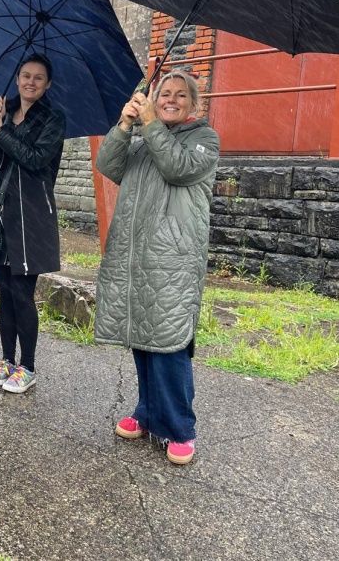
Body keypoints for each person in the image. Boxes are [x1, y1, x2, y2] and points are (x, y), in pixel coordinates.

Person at [94, 69, 219, 465]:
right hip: (136, 255)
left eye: (180, 95)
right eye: (163, 93)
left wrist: (148, 123)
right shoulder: (145, 141)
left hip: (173, 259)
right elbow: (107, 163)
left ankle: (180, 428)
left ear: (194, 104)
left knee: (169, 343)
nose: (170, 99)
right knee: (142, 335)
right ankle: (147, 414)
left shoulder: (204, 139)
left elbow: (178, 168)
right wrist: (125, 123)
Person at [0, 53, 65, 394]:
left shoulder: (53, 118)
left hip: (32, 217)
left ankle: (27, 365)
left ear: (47, 84)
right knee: (4, 292)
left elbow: (34, 159)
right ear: (17, 78)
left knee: (22, 293)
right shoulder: (6, 111)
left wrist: (2, 129)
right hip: (2, 215)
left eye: (38, 77)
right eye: (25, 75)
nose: (30, 82)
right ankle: (7, 360)